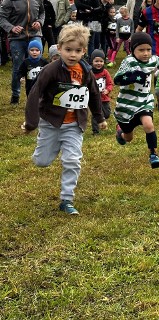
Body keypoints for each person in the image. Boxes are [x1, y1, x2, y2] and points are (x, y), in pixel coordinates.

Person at [23, 24, 107, 215]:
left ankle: (67, 199)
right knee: (42, 162)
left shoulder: (86, 71)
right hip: (51, 123)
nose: (72, 55)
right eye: (68, 50)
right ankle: (49, 148)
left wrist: (99, 117)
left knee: (72, 160)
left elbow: (93, 94)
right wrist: (31, 123)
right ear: (59, 48)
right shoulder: (50, 70)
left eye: (77, 51)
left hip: (74, 125)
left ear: (84, 51)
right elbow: (35, 94)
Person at [113, 32, 159, 168]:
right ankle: (121, 133)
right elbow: (117, 79)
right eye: (141, 50)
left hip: (144, 101)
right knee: (128, 138)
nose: (146, 53)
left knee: (148, 124)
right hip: (127, 105)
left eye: (148, 49)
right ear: (132, 50)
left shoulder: (153, 59)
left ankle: (153, 154)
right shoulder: (129, 62)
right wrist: (134, 76)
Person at [0, 0, 45, 104]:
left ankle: (37, 94)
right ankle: (15, 95)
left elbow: (42, 12)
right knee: (18, 66)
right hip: (17, 38)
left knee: (37, 65)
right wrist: (11, 28)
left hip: (35, 35)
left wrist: (40, 22)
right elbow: (1, 17)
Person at [89, 49, 114, 135]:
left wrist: (107, 90)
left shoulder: (105, 72)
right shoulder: (90, 73)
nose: (99, 63)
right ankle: (95, 131)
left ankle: (101, 117)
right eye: (96, 61)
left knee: (107, 114)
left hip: (104, 98)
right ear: (92, 61)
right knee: (96, 113)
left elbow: (110, 83)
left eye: (101, 61)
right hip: (94, 98)